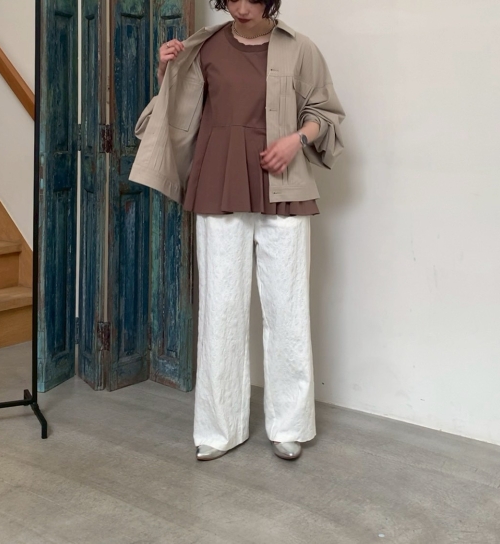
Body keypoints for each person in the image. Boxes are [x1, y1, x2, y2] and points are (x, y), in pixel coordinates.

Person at [130, 0, 345, 461]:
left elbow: (325, 114)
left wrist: (295, 141)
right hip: (219, 179)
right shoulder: (204, 47)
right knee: (220, 308)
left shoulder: (300, 48)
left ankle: (289, 424)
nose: (242, 7)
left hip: (283, 184)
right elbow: (178, 113)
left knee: (287, 308)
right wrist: (166, 71)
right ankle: (219, 427)